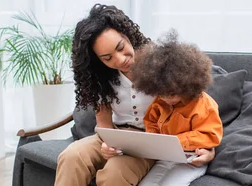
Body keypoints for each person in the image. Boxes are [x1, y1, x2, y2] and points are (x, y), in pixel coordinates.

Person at [54, 4, 155, 186]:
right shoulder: (102, 77)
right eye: (107, 58)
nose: (120, 60)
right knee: (71, 156)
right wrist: (108, 144)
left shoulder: (159, 63)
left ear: (127, 34)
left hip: (150, 141)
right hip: (116, 135)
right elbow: (105, 125)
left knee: (114, 173)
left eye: (120, 47)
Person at [132, 30, 223, 186]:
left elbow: (210, 135)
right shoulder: (159, 103)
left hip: (192, 160)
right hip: (165, 157)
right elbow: (151, 121)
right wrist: (155, 140)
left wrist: (174, 142)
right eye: (162, 94)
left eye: (173, 94)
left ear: (187, 84)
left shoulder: (204, 105)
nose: (168, 99)